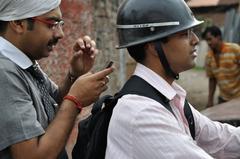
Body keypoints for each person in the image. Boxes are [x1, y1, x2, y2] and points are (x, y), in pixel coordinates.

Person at [105, 0, 240, 158]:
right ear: (153, 46)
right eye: (184, 34)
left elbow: (220, 138)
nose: (196, 40)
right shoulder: (142, 113)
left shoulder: (170, 98)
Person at [0, 0, 114, 159]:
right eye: (51, 24)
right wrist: (75, 100)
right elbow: (31, 156)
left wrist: (74, 75)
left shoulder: (22, 62)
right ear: (18, 23)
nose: (60, 33)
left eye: (60, 23)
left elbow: (53, 102)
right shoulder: (4, 72)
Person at [202, 25, 240, 108]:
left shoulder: (235, 49)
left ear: (218, 37)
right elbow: (212, 79)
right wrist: (210, 100)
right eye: (206, 40)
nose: (208, 43)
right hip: (223, 99)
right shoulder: (208, 57)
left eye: (210, 39)